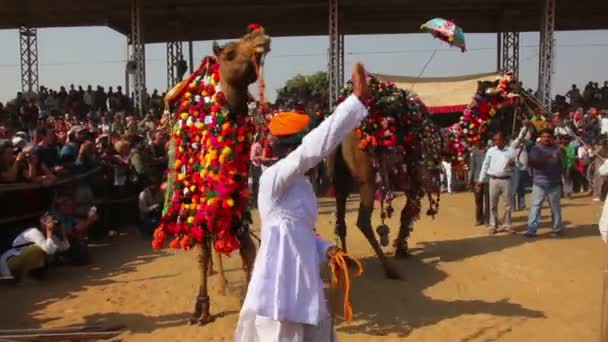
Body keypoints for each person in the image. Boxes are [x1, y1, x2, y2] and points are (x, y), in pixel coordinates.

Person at [234, 63, 370, 341]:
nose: (312, 158)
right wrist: (354, 102)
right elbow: (312, 151)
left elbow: (302, 233)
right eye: (300, 148)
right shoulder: (273, 178)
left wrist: (327, 249)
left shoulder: (304, 187)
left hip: (305, 280)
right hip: (276, 285)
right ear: (290, 149)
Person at [0, 213, 70, 281]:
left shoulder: (49, 236)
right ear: (42, 221)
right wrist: (49, 231)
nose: (53, 225)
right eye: (50, 222)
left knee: (48, 247)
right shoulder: (34, 232)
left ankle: (30, 275)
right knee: (37, 249)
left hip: (17, 259)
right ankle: (24, 277)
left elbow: (64, 247)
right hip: (8, 261)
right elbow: (49, 250)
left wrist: (63, 233)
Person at [526, 129, 564, 237]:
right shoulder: (535, 149)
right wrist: (547, 157)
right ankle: (531, 230)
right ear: (540, 138)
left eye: (548, 137)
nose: (546, 138)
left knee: (555, 207)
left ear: (552, 138)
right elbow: (534, 163)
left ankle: (557, 229)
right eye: (544, 137)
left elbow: (561, 164)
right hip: (539, 183)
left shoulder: (557, 149)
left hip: (555, 183)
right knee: (536, 206)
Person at [477, 132, 516, 234]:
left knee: (508, 205)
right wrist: (481, 180)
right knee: (492, 205)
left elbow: (517, 166)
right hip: (493, 180)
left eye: (498, 139)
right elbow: (485, 165)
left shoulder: (511, 151)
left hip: (506, 180)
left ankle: (507, 225)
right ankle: (493, 225)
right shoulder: (491, 151)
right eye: (495, 140)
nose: (496, 142)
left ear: (504, 140)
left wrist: (513, 164)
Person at [469, 140, 489, 226]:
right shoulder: (474, 153)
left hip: (487, 179)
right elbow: (472, 166)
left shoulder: (489, 152)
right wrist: (470, 178)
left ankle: (487, 219)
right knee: (478, 200)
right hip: (476, 180)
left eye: (479, 141)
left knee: (488, 201)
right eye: (476, 142)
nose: (477, 143)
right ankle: (478, 219)